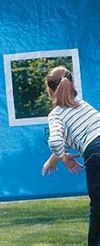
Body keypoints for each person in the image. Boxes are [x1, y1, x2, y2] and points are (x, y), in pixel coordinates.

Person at [41, 66, 100, 245]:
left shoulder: (56, 114)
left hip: (96, 153)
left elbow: (56, 141)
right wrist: (54, 158)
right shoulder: (82, 104)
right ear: (71, 84)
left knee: (98, 209)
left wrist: (64, 158)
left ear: (49, 90)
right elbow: (70, 136)